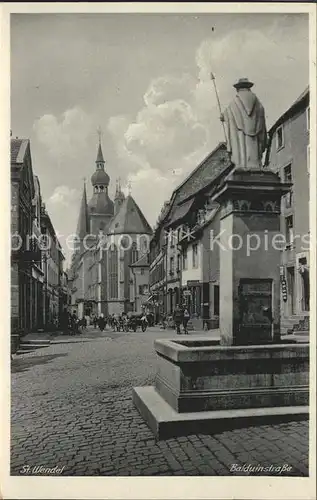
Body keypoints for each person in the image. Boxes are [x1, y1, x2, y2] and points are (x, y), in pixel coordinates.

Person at [221, 78, 267, 170]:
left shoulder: (234, 102)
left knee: (242, 150)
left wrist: (223, 116)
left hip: (241, 138)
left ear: (238, 88)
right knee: (254, 152)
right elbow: (261, 119)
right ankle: (256, 165)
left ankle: (242, 164)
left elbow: (228, 114)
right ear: (249, 87)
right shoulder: (258, 103)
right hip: (255, 140)